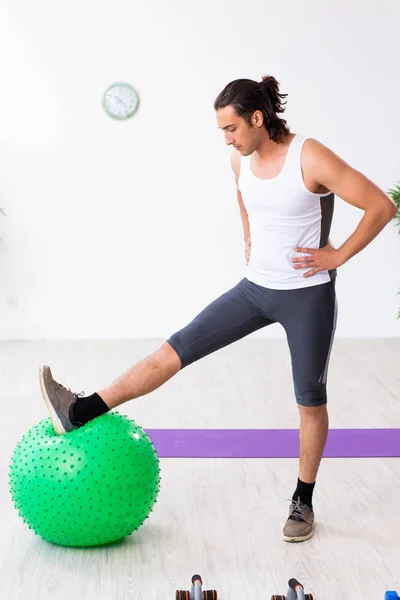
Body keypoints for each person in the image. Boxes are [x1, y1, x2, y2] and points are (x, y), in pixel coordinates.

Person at [39, 75, 397, 543]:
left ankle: (302, 501)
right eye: (222, 131)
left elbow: (379, 206)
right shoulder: (239, 159)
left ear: (257, 118)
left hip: (306, 296)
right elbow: (244, 194)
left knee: (310, 402)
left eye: (231, 129)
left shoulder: (309, 156)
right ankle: (81, 410)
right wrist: (250, 232)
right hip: (254, 290)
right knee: (173, 350)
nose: (227, 139)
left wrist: (336, 256)